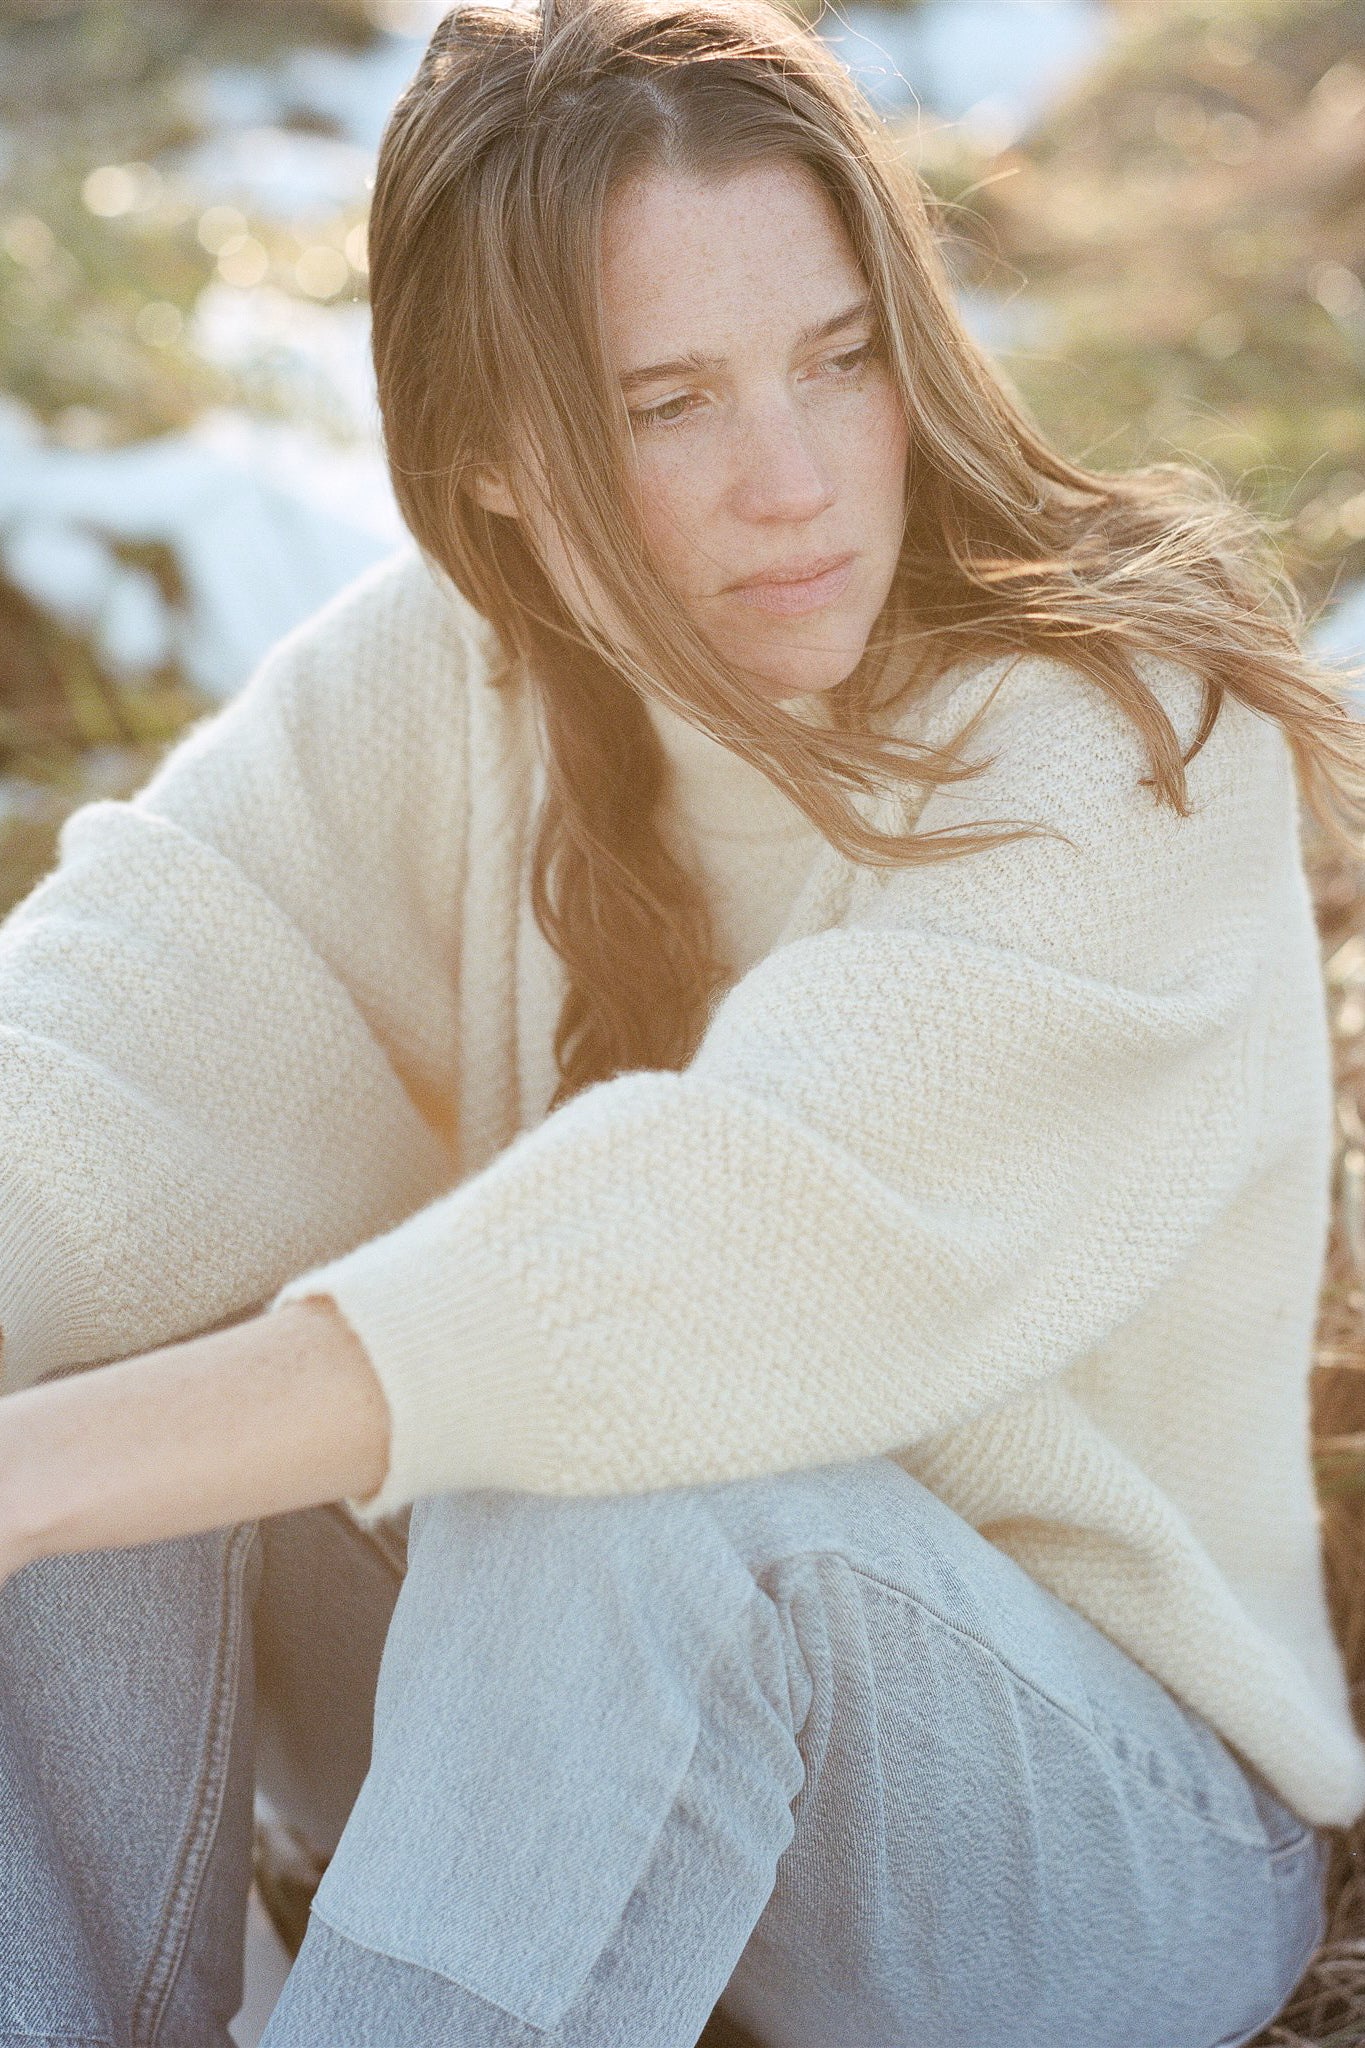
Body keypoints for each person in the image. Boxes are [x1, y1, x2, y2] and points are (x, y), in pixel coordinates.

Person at [1, 0, 1363, 2040]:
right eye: (667, 404)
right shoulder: (444, 684)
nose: (796, 481)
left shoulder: (1112, 741)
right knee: (108, 1328)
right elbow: (86, 1078)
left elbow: (719, 1249)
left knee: (619, 1485)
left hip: (1088, 1823)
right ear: (492, 457)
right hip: (540, 1715)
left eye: (838, 359)